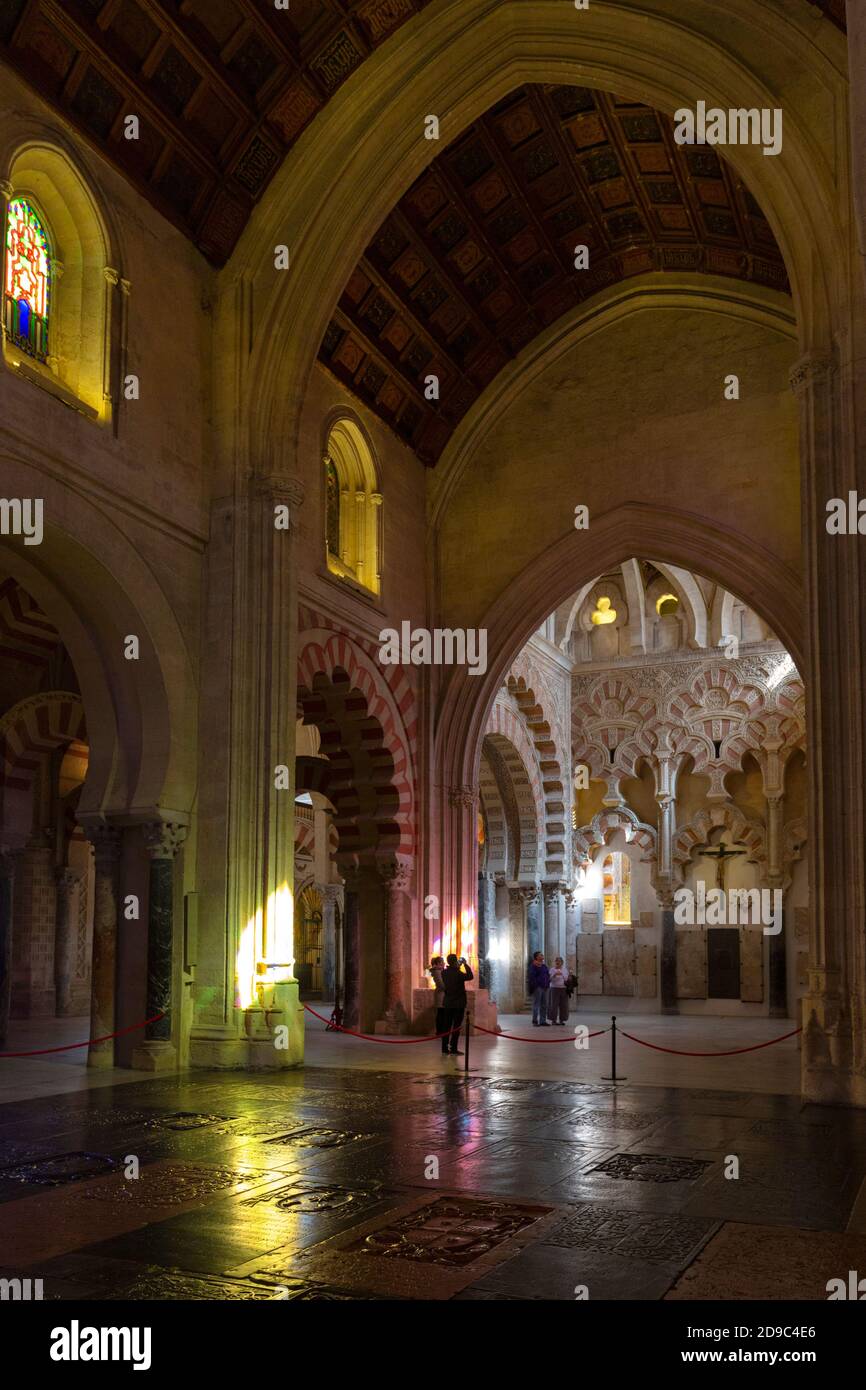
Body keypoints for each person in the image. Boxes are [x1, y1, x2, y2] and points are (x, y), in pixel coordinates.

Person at [440, 952, 473, 1055]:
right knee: (456, 1027)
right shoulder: (458, 973)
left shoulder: (444, 973)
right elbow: (470, 976)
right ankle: (453, 1048)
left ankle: (444, 1048)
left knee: (446, 1026)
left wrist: (457, 966)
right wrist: (465, 964)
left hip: (448, 1003)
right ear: (455, 962)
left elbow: (451, 974)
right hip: (458, 1004)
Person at [428, 955, 447, 1055]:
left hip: (442, 995)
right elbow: (441, 984)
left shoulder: (439, 971)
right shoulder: (437, 972)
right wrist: (449, 987)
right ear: (439, 963)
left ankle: (441, 1032)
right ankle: (440, 1032)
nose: (444, 963)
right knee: (441, 1014)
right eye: (442, 962)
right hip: (441, 995)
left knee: (442, 1014)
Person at [528, 950, 550, 1026]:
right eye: (540, 955)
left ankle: (542, 1021)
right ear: (536, 957)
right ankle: (535, 1021)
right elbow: (532, 976)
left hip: (545, 987)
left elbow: (547, 975)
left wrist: (547, 984)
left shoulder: (544, 966)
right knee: (536, 1004)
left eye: (542, 955)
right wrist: (536, 984)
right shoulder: (533, 966)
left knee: (544, 1005)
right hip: (538, 987)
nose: (542, 956)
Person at [548, 956, 569, 1025]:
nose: (558, 962)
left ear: (562, 962)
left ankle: (562, 1020)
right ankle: (553, 1020)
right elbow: (549, 980)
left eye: (559, 961)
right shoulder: (552, 969)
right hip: (554, 988)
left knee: (563, 1005)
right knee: (553, 1005)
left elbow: (566, 979)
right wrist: (554, 975)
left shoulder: (565, 969)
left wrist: (562, 975)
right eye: (556, 961)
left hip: (563, 988)